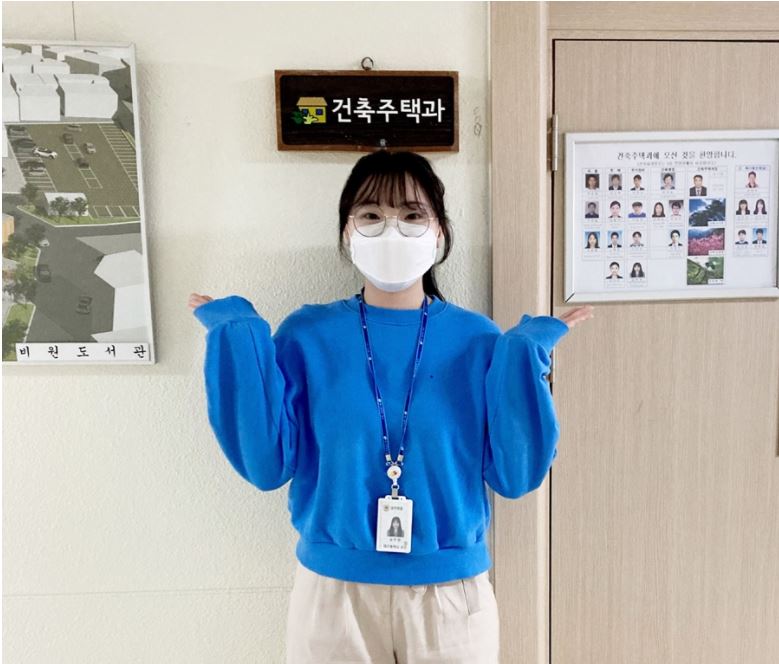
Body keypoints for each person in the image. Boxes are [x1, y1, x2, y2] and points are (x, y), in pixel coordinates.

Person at [189, 150, 594, 664]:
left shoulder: (478, 340)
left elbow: (515, 476)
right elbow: (267, 463)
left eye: (411, 214)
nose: (391, 229)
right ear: (347, 232)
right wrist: (238, 337)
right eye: (371, 215)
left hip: (450, 597)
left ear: (440, 232)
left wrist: (524, 354)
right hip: (334, 596)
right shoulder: (307, 335)